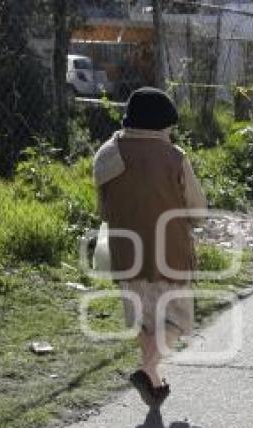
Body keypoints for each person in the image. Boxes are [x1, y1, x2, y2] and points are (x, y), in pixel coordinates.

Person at [92, 87, 207, 406]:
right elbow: (197, 211)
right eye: (170, 126)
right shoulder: (174, 157)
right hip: (169, 255)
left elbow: (103, 210)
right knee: (175, 321)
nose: (172, 132)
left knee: (144, 321)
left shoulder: (106, 153)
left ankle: (154, 383)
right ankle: (146, 370)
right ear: (161, 124)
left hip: (126, 254)